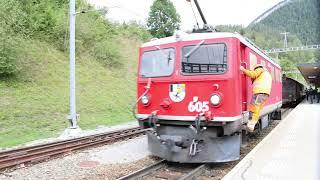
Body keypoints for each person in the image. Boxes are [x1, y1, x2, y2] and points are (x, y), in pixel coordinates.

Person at [240, 64, 272, 132]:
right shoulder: (267, 74)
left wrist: (243, 69)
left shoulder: (260, 69)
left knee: (253, 108)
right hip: (265, 94)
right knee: (257, 110)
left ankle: (250, 126)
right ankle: (251, 126)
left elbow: (253, 74)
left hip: (259, 92)